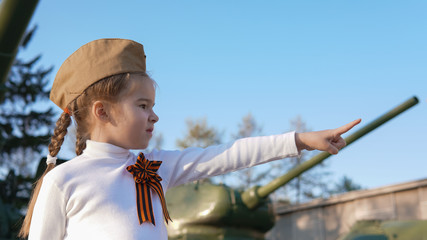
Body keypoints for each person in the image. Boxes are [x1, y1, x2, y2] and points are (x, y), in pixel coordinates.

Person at [18, 38, 361, 239]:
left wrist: (299, 140)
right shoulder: (63, 181)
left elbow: (230, 154)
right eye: (142, 105)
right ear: (102, 111)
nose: (154, 115)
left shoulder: (154, 167)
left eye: (153, 105)